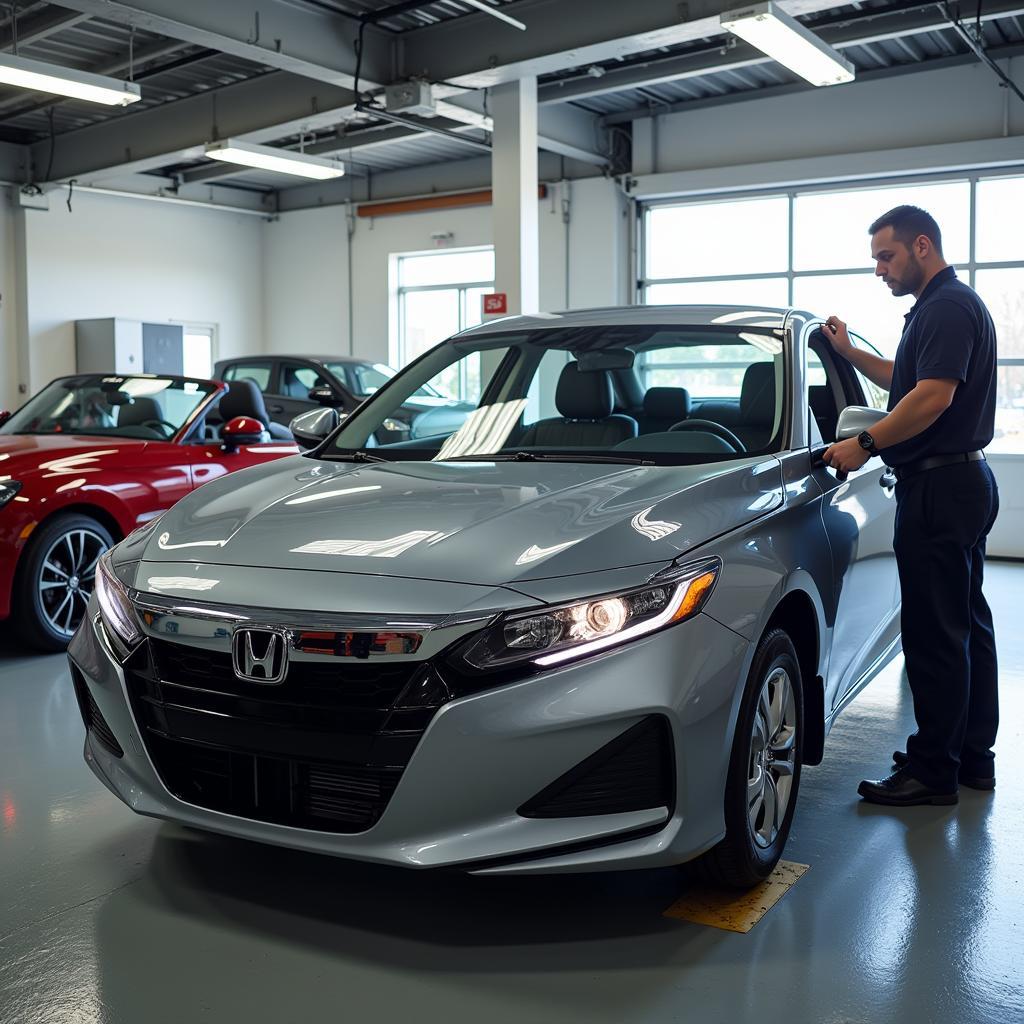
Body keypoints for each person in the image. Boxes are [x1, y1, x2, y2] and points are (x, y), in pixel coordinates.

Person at [821, 204, 999, 806]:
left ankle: (933, 770)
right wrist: (849, 355)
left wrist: (864, 444)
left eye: (886, 256)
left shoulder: (946, 307)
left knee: (934, 634)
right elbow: (907, 378)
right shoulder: (945, 307)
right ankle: (971, 757)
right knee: (966, 626)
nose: (879, 269)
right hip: (960, 483)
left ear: (922, 246)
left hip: (940, 489)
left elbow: (930, 399)